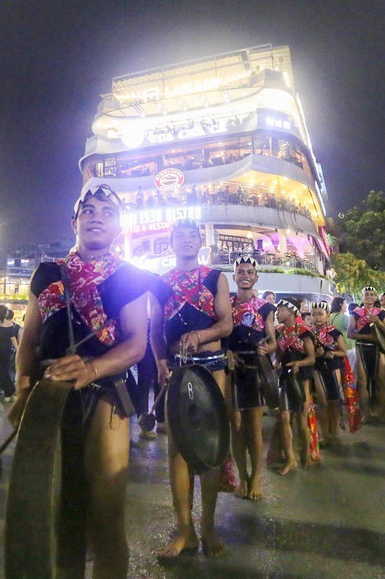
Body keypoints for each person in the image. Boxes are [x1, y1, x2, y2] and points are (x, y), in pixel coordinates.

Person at [10, 184, 152, 578]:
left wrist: (90, 370)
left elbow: (137, 344)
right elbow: (30, 338)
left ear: (119, 227)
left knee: (106, 517)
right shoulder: (47, 274)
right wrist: (23, 383)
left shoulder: (129, 277)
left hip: (105, 396)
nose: (97, 217)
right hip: (49, 397)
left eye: (107, 211)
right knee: (60, 516)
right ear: (75, 222)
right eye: (89, 210)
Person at [151, 218, 233, 559]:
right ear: (170, 242)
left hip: (211, 368)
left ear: (201, 242)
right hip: (177, 369)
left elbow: (226, 323)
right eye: (180, 235)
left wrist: (200, 337)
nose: (186, 240)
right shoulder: (159, 282)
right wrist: (159, 361)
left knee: (211, 449)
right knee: (178, 450)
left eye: (192, 235)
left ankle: (209, 526)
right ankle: (185, 530)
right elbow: (155, 328)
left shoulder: (215, 278)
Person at [228, 255, 276, 500]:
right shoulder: (226, 303)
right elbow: (221, 333)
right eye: (240, 271)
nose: (245, 275)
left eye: (249, 271)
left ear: (256, 277)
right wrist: (227, 352)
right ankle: (242, 475)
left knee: (254, 427)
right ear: (234, 276)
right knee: (236, 426)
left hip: (255, 367)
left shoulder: (265, 307)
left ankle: (256, 477)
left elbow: (272, 340)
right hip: (231, 368)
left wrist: (268, 348)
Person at [273, 298, 317, 474]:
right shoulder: (280, 332)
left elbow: (312, 358)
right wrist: (276, 364)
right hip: (286, 376)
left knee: (301, 417)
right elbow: (278, 355)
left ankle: (305, 454)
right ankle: (290, 459)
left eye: (281, 310)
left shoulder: (304, 331)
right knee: (284, 416)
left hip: (302, 378)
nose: (278, 313)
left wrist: (299, 364)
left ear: (291, 312)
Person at [348, 286, 385, 421]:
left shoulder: (381, 313)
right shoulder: (356, 314)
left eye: (372, 294)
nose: (369, 296)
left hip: (378, 349)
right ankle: (365, 413)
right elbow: (350, 333)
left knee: (381, 381)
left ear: (375, 297)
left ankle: (381, 412)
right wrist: (369, 338)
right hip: (362, 348)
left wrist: (378, 321)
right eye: (366, 294)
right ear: (362, 296)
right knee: (362, 382)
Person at [311, 300, 347, 445]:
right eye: (314, 314)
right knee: (322, 402)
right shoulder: (308, 333)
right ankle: (325, 436)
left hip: (333, 367)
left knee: (334, 401)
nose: (317, 317)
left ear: (327, 316)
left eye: (320, 314)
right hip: (317, 369)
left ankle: (335, 433)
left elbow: (343, 352)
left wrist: (331, 353)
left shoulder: (334, 332)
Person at [0, 305, 19, 402]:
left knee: (3, 371)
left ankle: (9, 393)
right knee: (3, 372)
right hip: (6, 350)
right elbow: (13, 339)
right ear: (5, 313)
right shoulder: (10, 324)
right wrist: (18, 350)